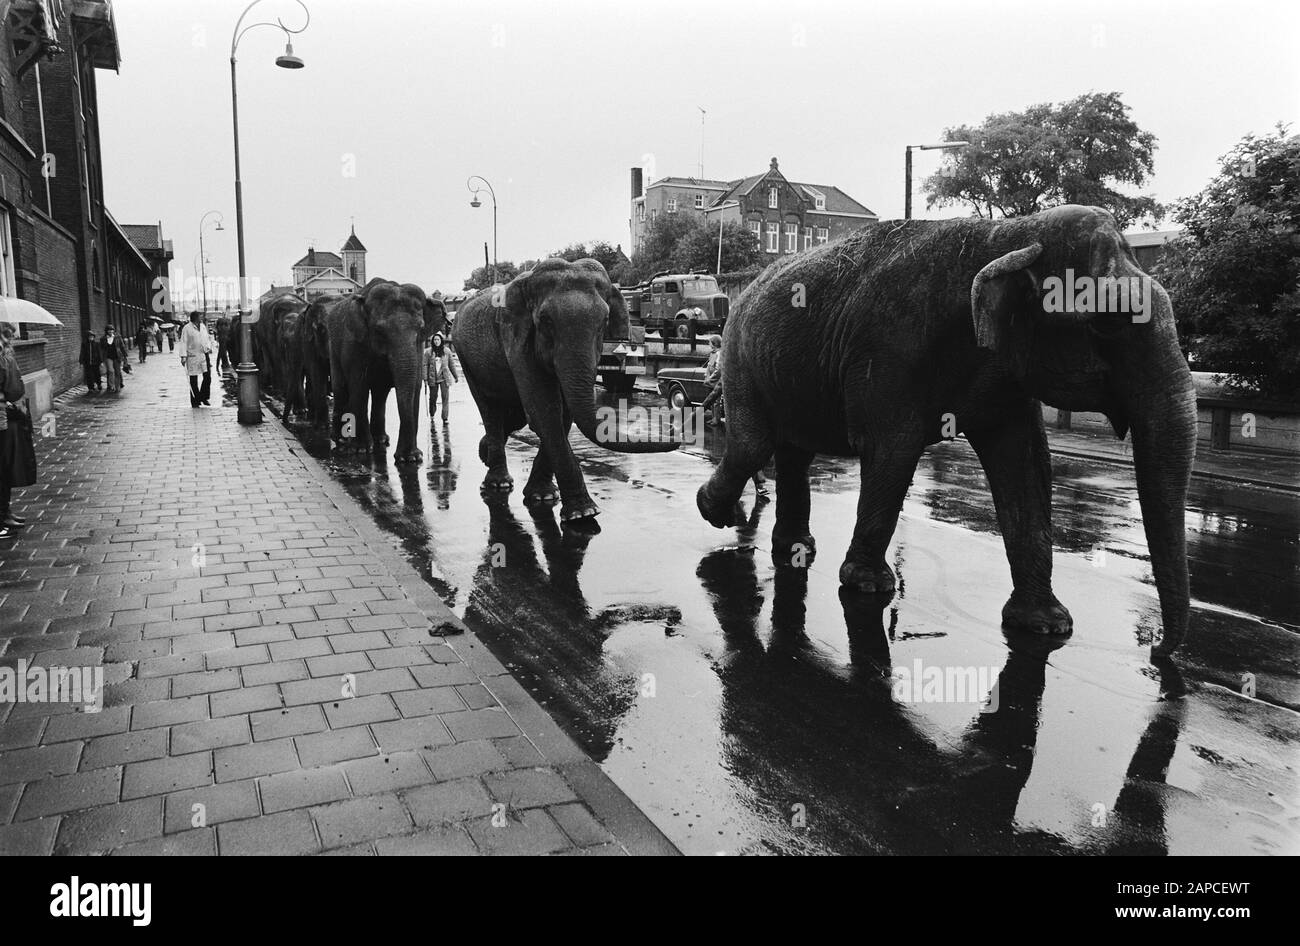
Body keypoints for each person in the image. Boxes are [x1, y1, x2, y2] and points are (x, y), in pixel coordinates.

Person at [697, 334, 765, 494]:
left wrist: (702, 407)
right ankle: (757, 486)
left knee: (742, 451)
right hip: (742, 414)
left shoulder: (732, 363)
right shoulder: (743, 363)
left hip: (740, 415)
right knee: (748, 451)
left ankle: (729, 491)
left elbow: (718, 389)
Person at [0, 321, 33, 540]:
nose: (12, 341)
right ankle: (2, 517)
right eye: (9, 337)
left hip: (5, 413)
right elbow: (12, 388)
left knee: (5, 466)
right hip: (2, 417)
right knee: (3, 466)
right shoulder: (4, 359)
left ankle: (5, 512)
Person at [423, 332, 460, 423]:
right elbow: (424, 365)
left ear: (441, 340)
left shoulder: (447, 351)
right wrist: (425, 379)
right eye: (435, 340)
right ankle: (432, 414)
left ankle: (445, 418)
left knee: (445, 398)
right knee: (433, 398)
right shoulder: (428, 352)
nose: (436, 341)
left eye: (438, 339)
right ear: (432, 341)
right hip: (433, 378)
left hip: (444, 378)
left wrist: (455, 376)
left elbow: (451, 364)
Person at [180, 310, 213, 407]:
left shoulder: (202, 326)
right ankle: (195, 401)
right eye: (200, 316)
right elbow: (183, 342)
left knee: (207, 377)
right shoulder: (187, 328)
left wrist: (209, 347)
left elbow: (207, 338)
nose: (201, 318)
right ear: (195, 318)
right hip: (192, 356)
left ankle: (204, 397)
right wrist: (183, 356)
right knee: (193, 379)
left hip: (204, 354)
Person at [700, 334, 724, 424]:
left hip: (715, 381)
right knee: (711, 400)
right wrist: (706, 374)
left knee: (716, 401)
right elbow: (710, 365)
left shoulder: (719, 353)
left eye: (710, 342)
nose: (709, 344)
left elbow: (718, 369)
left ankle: (716, 419)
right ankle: (713, 417)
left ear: (714, 343)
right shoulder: (712, 353)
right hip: (710, 380)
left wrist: (711, 378)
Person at [100, 325, 127, 393]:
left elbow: (122, 346)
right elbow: (101, 349)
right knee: (111, 371)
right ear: (106, 331)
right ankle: (111, 385)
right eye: (109, 330)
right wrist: (101, 358)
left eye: (112, 330)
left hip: (117, 356)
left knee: (117, 372)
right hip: (108, 357)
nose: (111, 331)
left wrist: (125, 355)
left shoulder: (117, 337)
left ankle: (117, 387)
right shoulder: (103, 338)